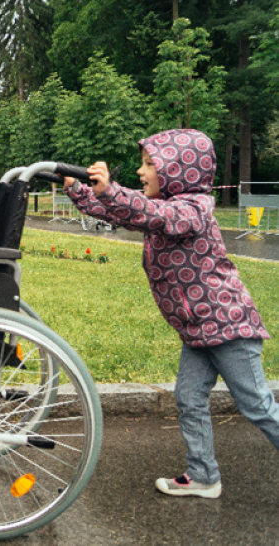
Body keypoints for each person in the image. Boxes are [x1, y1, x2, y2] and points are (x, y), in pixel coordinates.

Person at [63, 128, 276, 498]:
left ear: (179, 170)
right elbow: (122, 213)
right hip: (197, 329)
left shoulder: (192, 210)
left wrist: (110, 188)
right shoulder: (161, 211)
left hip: (228, 326)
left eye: (150, 165)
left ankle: (204, 472)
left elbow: (151, 212)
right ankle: (203, 475)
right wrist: (79, 189)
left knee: (256, 404)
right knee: (189, 398)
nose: (142, 172)